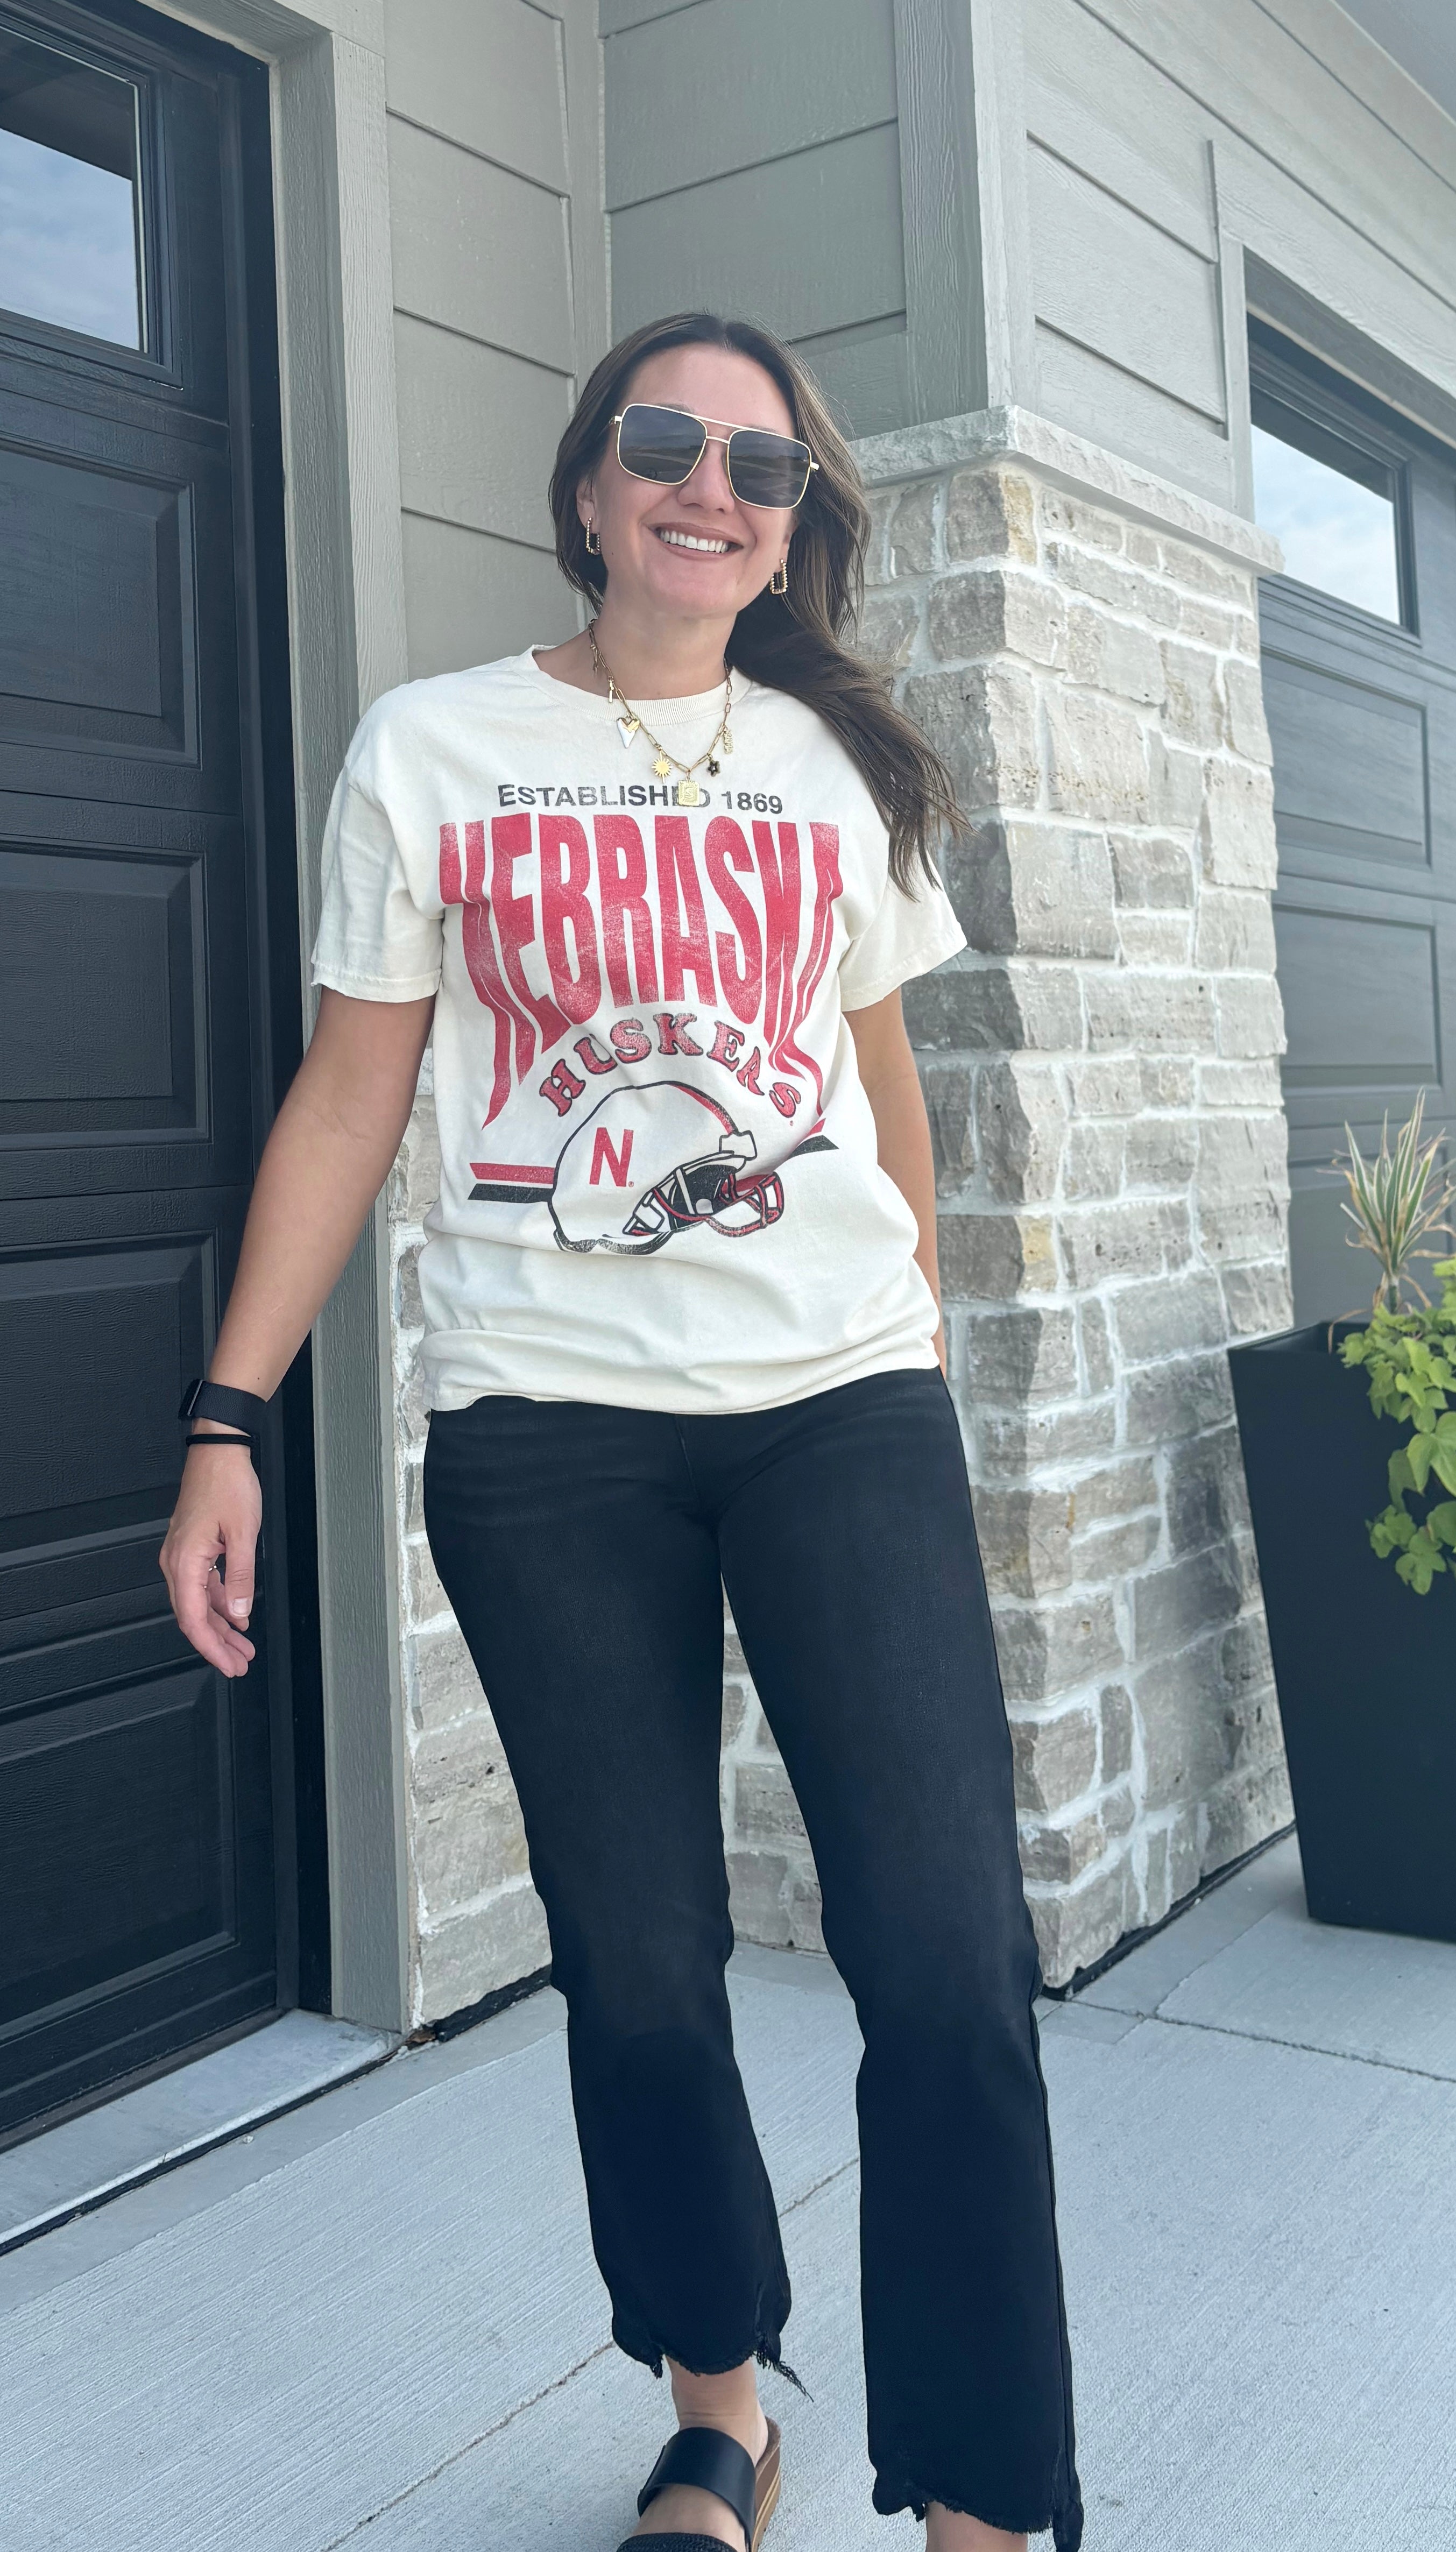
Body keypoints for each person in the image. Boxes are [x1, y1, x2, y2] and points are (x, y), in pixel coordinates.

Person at [161, 311, 1083, 2552]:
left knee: (946, 1962)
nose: (710, 484)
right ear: (586, 487)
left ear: (788, 528)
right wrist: (227, 1413)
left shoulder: (831, 765)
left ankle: (981, 2496)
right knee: (646, 1973)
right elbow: (353, 1090)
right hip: (546, 1437)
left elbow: (880, 1095)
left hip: (834, 1413)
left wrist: (910, 1336)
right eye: (663, 443)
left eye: (758, 466)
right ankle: (716, 2400)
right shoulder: (434, 752)